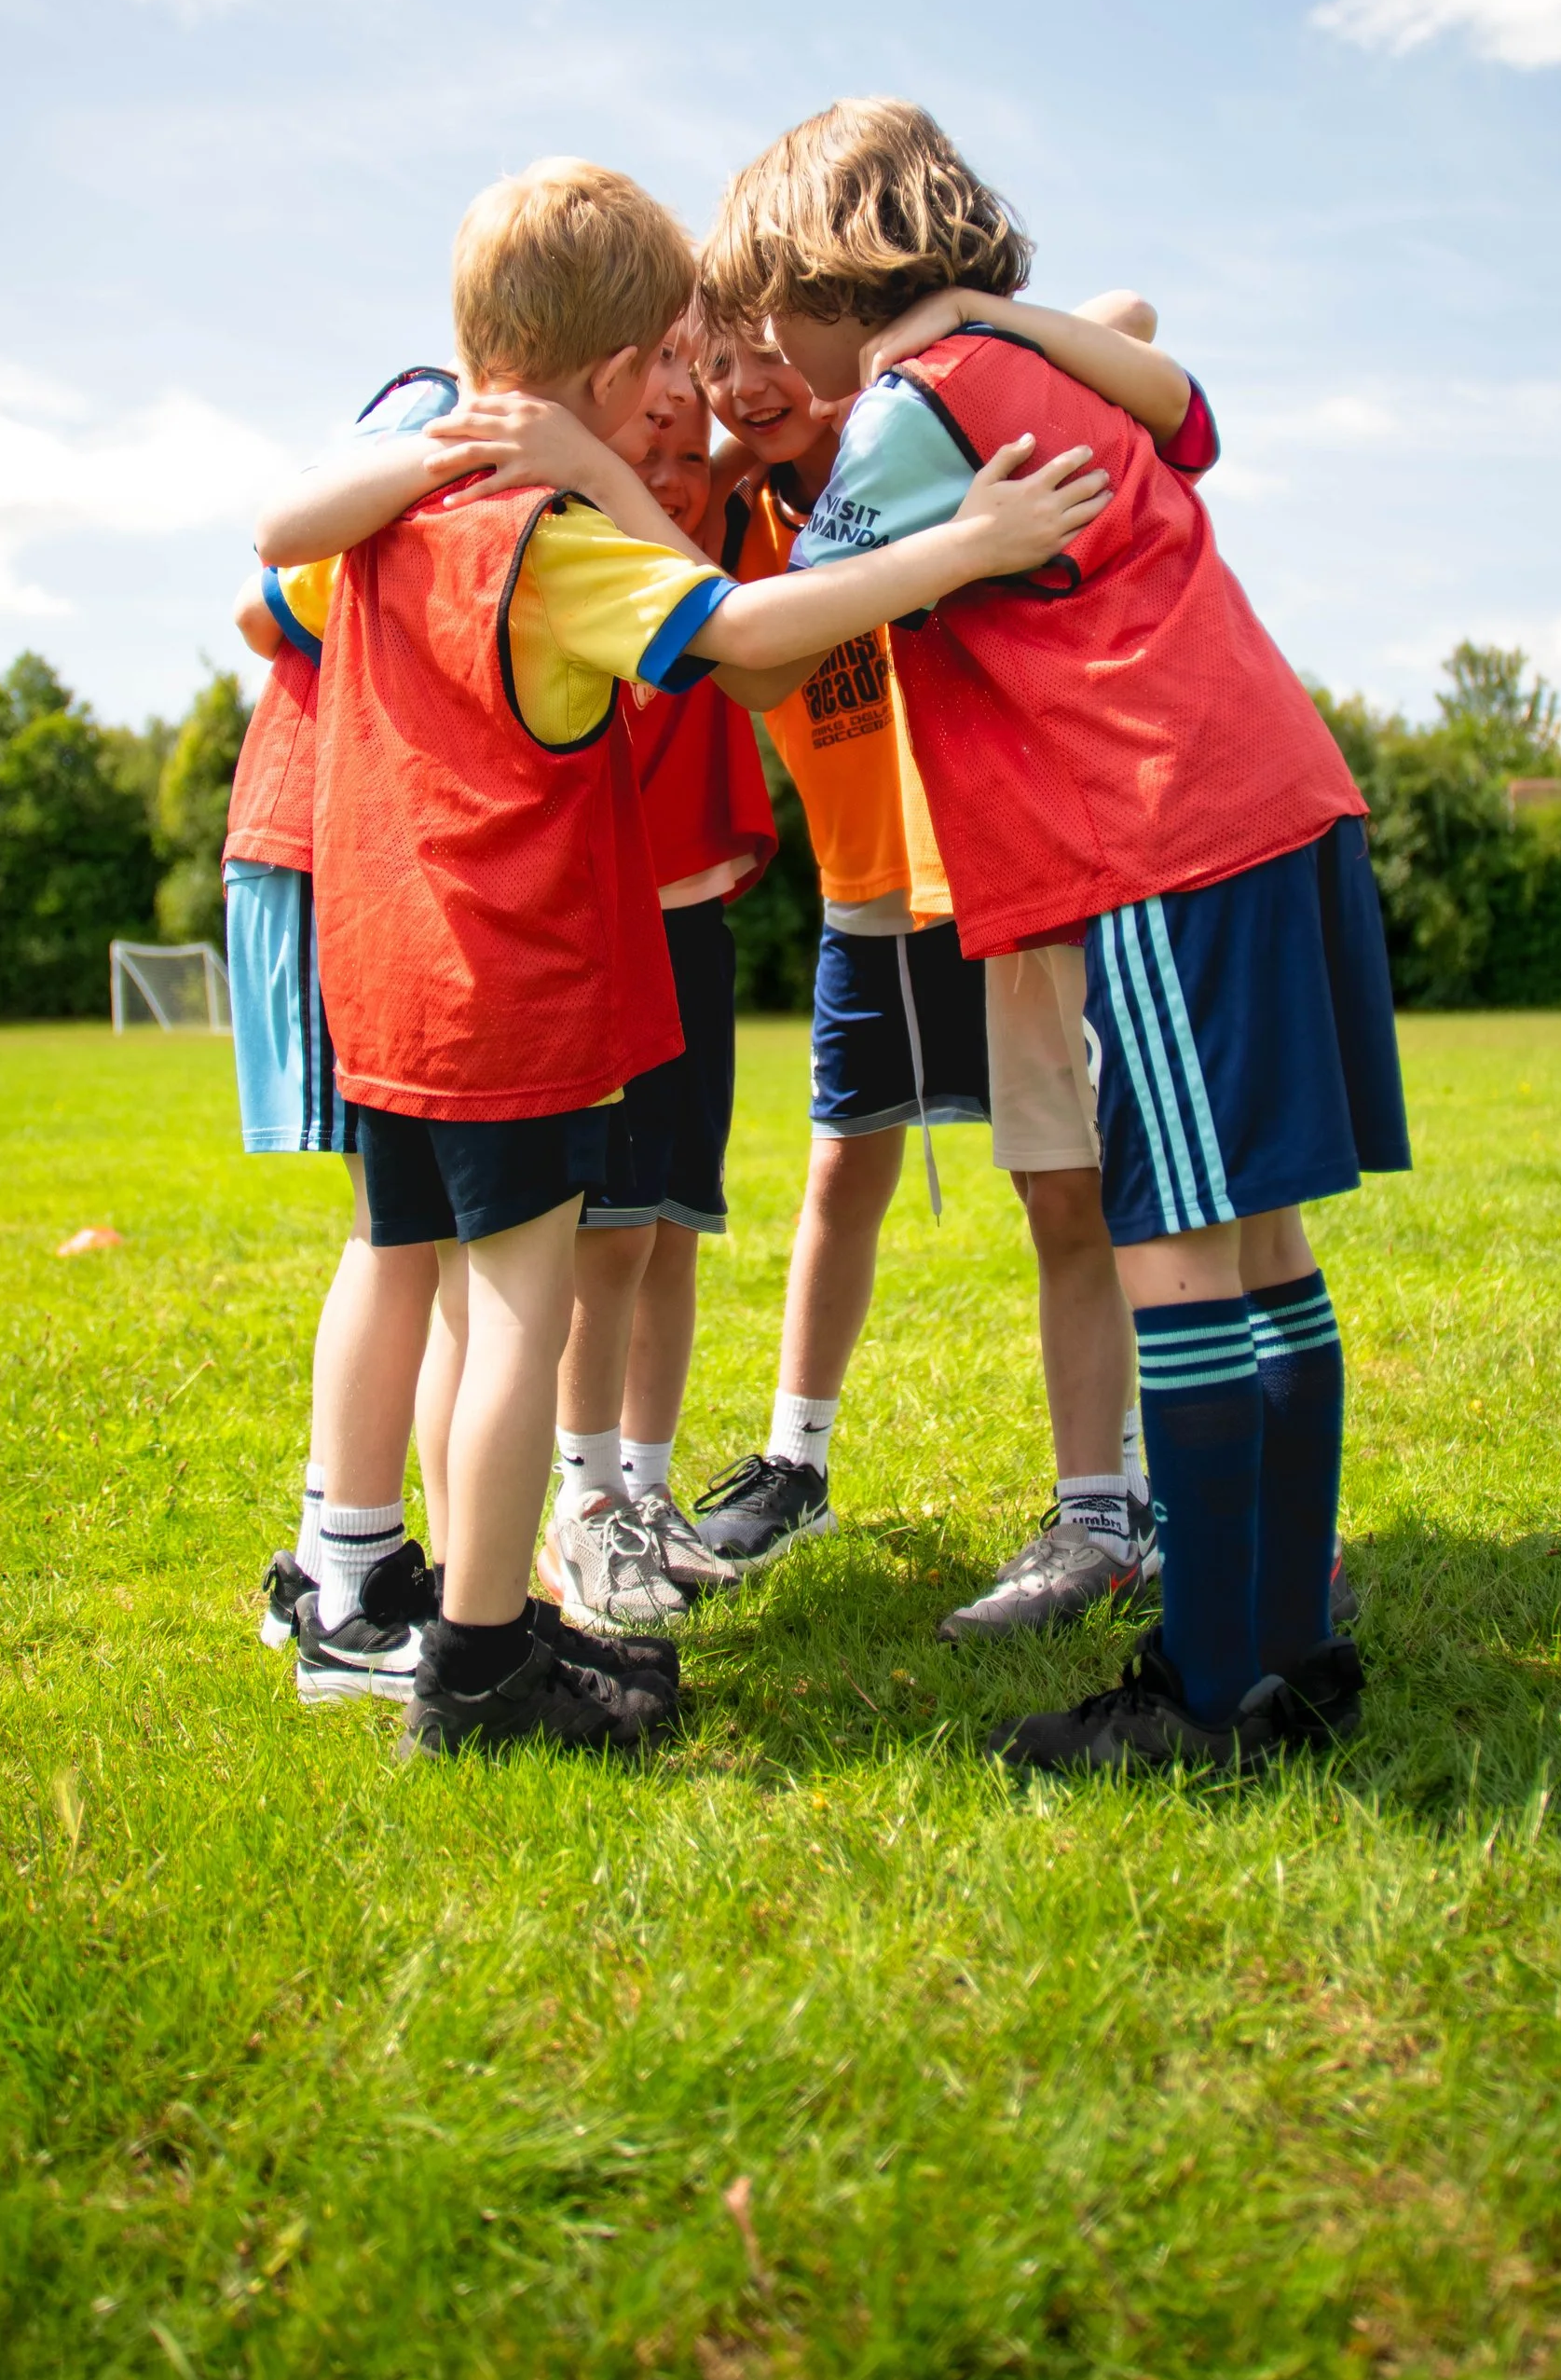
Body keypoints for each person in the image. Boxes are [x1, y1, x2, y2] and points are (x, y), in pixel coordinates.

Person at [260, 157, 1109, 1762]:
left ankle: (401, 1586)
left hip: (378, 987)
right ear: (601, 375)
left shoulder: (385, 515)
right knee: (518, 1311)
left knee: (414, 1284)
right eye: (666, 356)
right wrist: (962, 543)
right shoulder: (547, 538)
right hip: (506, 992)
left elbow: (277, 575)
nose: (687, 386)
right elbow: (741, 629)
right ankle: (488, 1665)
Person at [700, 101, 1410, 1775]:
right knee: (1262, 1238)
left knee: (1170, 1237)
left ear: (823, 274)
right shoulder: (1043, 364)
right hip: (1274, 799)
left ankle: (1211, 1682)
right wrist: (1008, 319)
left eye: (772, 314)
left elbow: (752, 659)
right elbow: (1195, 402)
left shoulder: (902, 410)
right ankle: (1290, 1646)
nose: (775, 356)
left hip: (1151, 833)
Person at [685, 310, 1168, 1638]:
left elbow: (1126, 316)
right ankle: (797, 1458)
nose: (740, 386)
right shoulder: (740, 514)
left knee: (1066, 1186)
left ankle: (1114, 1486)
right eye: (712, 363)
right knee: (845, 1169)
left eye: (766, 348)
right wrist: (738, 445)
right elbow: (726, 645)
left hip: (999, 876)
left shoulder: (919, 434)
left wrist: (907, 350)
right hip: (866, 898)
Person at [537, 351, 780, 1630]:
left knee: (676, 1222)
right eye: (652, 453)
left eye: (699, 456)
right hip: (609, 930)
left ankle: (644, 1488)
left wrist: (694, 434)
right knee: (612, 1233)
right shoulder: (588, 563)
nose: (682, 479)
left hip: (699, 933)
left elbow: (732, 443)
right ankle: (581, 1505)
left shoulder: (706, 534)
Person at [224, 368, 458, 1692]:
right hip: (320, 845)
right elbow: (265, 593)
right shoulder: (440, 419)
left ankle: (338, 1557)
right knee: (399, 1223)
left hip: (339, 848)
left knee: (404, 1223)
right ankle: (346, 1589)